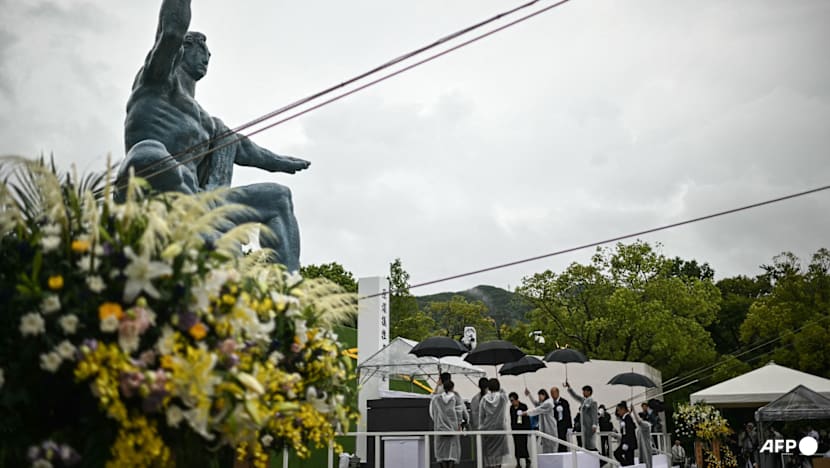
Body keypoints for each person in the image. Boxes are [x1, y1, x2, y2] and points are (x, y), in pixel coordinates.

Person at [118, 0, 311, 270]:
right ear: (183, 51)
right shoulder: (158, 82)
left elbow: (247, 150)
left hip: (199, 200)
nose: (207, 56)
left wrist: (281, 163)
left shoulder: (209, 123)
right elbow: (171, 32)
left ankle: (288, 290)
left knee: (278, 196)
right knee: (149, 152)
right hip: (155, 187)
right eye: (201, 50)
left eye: (209, 52)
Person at [429, 380, 467, 468]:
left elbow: (432, 413)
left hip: (440, 429)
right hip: (453, 430)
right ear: (452, 388)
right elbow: (460, 413)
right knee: (452, 454)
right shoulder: (456, 398)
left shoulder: (436, 399)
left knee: (441, 454)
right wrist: (460, 424)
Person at [478, 379, 513, 468]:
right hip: (500, 429)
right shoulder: (502, 397)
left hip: (487, 429)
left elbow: (481, 416)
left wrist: (481, 427)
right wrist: (500, 389)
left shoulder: (484, 399)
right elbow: (505, 393)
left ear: (489, 387)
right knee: (499, 454)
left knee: (489, 453)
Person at [523, 388, 559, 453]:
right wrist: (529, 395)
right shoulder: (543, 403)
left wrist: (526, 413)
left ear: (544, 395)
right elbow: (536, 404)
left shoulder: (548, 404)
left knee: (552, 450)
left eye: (540, 396)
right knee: (546, 449)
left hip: (550, 429)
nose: (539, 398)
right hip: (545, 430)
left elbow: (537, 410)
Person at [565, 381, 599, 451]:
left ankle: (600, 459)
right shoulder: (583, 400)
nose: (583, 393)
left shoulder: (593, 402)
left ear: (589, 392)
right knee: (586, 444)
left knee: (590, 444)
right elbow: (575, 396)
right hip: (584, 426)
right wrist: (569, 388)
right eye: (583, 391)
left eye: (585, 391)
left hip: (590, 426)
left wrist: (594, 424)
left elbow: (594, 414)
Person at [510, 392, 531, 468]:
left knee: (523, 445)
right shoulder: (511, 408)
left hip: (523, 429)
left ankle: (527, 460)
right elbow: (512, 419)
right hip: (515, 429)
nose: (512, 402)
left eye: (512, 400)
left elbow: (527, 418)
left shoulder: (523, 406)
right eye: (510, 401)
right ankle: (518, 462)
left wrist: (528, 429)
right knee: (516, 446)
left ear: (516, 400)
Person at [549, 387, 573, 452]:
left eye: (553, 393)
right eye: (551, 393)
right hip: (554, 426)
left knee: (562, 441)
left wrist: (569, 427)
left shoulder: (564, 402)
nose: (552, 395)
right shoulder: (550, 403)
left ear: (557, 392)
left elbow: (568, 415)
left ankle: (563, 453)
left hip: (563, 426)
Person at [614, 401, 638, 466]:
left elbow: (629, 432)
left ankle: (626, 465)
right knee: (629, 459)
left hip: (628, 443)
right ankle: (626, 465)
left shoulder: (628, 418)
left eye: (619, 410)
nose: (618, 412)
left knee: (618, 454)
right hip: (626, 442)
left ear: (623, 409)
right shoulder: (625, 418)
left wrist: (626, 443)